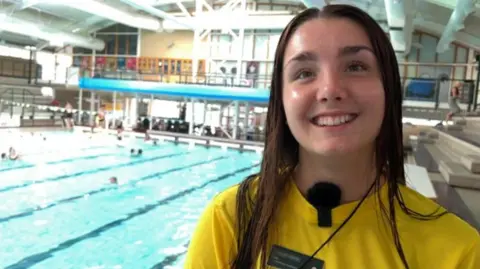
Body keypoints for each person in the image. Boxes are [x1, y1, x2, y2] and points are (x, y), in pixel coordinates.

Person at [185, 5, 480, 269]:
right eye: (303, 73)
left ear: (388, 88)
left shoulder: (458, 251)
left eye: (355, 67)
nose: (329, 89)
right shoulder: (231, 220)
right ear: (282, 99)